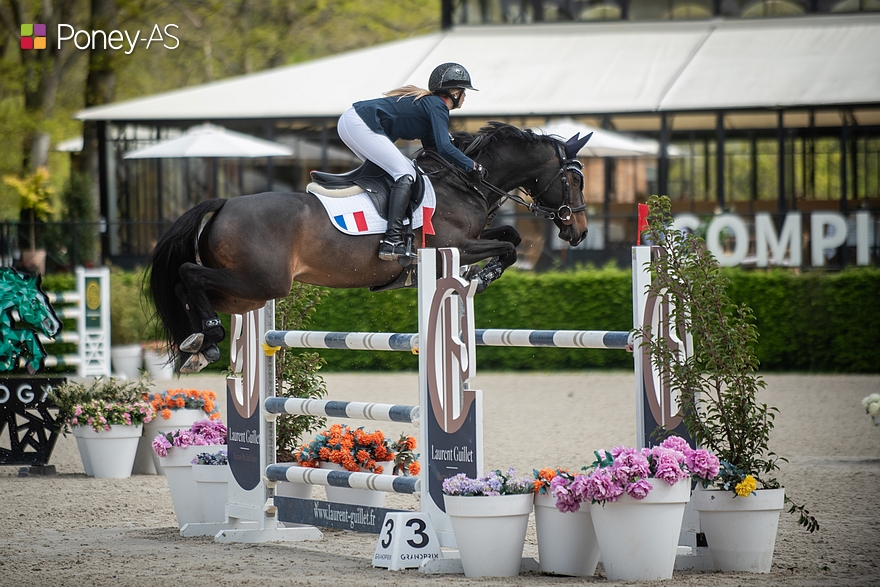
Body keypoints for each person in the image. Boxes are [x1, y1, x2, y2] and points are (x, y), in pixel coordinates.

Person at [337, 62, 487, 262]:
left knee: (398, 172)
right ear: (453, 92)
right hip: (359, 123)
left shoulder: (432, 106)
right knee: (405, 174)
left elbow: (434, 150)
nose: (465, 97)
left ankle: (385, 232)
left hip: (354, 123)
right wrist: (472, 166)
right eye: (463, 92)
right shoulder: (438, 105)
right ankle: (391, 240)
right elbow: (444, 147)